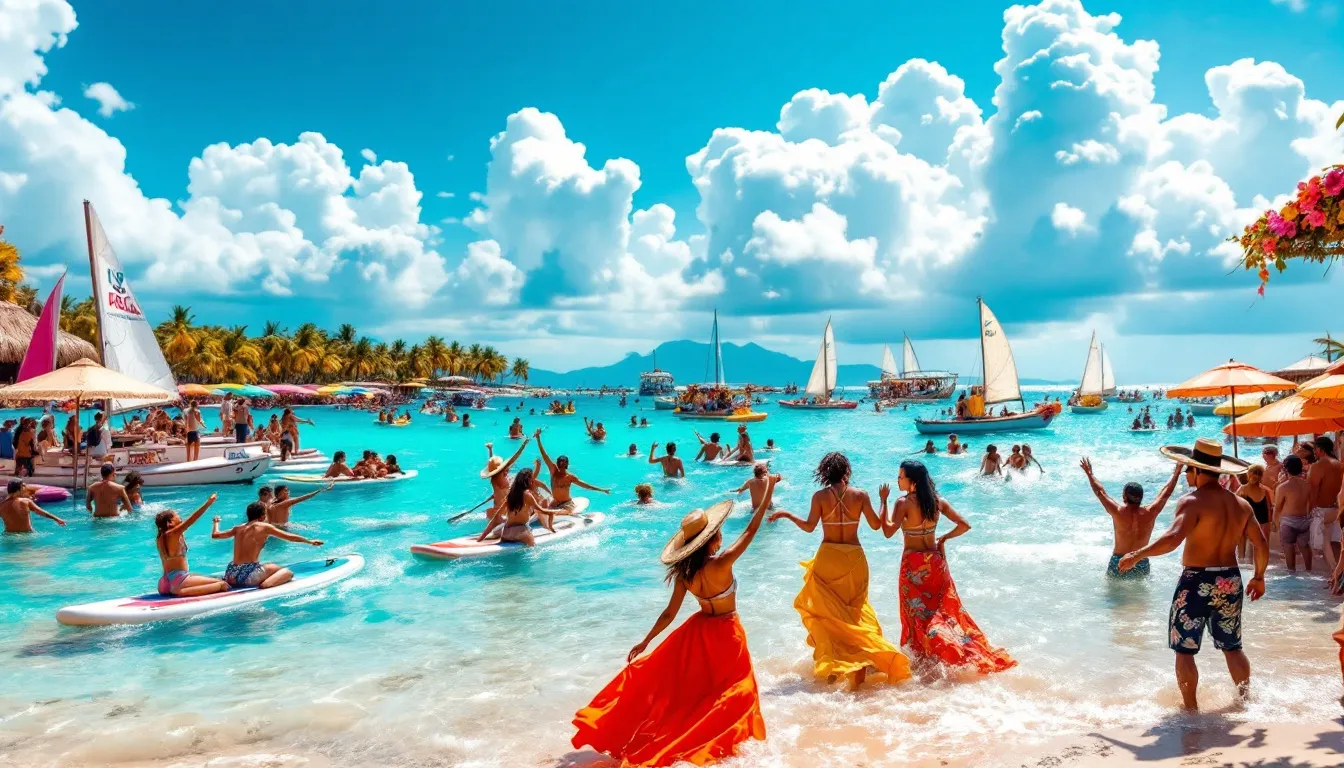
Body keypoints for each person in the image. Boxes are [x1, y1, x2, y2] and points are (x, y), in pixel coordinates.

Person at [572, 482, 774, 765]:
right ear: (713, 537)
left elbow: (669, 614)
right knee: (736, 691)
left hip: (699, 632)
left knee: (697, 694)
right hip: (727, 633)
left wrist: (646, 641)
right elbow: (751, 529)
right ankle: (726, 746)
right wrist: (768, 495)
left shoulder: (685, 576)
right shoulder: (723, 562)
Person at [1117, 438, 1268, 710]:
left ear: (1198, 471)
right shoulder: (1241, 504)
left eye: (1188, 469)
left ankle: (1190, 710)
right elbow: (1261, 544)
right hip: (1230, 580)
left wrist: (1137, 554)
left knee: (1184, 649)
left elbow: (1173, 538)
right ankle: (1246, 703)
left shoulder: (1192, 501)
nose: (1187, 474)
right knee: (1232, 646)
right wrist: (1259, 576)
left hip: (1197, 580)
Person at [768, 452, 909, 688]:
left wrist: (787, 514)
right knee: (855, 614)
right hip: (854, 559)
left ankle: (834, 668)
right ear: (847, 471)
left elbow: (810, 527)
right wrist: (884, 501)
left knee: (829, 617)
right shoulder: (861, 495)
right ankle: (861, 665)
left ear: (825, 473)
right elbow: (876, 526)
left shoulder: (820, 497)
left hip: (828, 558)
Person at [879, 460, 1015, 673]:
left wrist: (883, 502)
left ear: (911, 480)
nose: (898, 480)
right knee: (942, 612)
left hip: (914, 565)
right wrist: (943, 539)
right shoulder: (937, 501)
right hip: (935, 563)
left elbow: (887, 531)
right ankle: (954, 653)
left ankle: (926, 662)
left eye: (900, 476)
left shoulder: (902, 503)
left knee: (916, 616)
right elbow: (964, 525)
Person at [1080, 457, 1181, 578]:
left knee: (1114, 595)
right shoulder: (1151, 512)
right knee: (1140, 596)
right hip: (1140, 560)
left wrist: (1090, 474)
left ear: (1124, 497)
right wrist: (1176, 473)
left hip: (1119, 561)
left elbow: (1100, 492)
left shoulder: (1117, 512)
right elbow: (1166, 493)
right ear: (1141, 497)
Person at [211, 502, 324, 588]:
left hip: (230, 574)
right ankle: (265, 585)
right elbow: (289, 537)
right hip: (247, 577)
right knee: (287, 572)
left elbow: (215, 535)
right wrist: (309, 541)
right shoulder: (264, 527)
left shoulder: (238, 528)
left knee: (270, 566)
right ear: (262, 516)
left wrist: (216, 523)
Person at [154, 493, 228, 596]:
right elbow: (192, 520)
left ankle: (178, 589)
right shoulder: (173, 534)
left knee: (209, 578)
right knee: (223, 584)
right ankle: (180, 591)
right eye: (177, 516)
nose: (180, 517)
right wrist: (208, 503)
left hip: (164, 582)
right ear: (169, 522)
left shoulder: (160, 538)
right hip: (178, 581)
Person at [478, 469, 564, 545]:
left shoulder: (510, 494)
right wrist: (554, 513)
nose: (533, 482)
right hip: (520, 531)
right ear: (528, 481)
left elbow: (496, 517)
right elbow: (541, 510)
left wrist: (481, 538)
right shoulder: (527, 495)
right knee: (533, 548)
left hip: (506, 532)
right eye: (531, 480)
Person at [536, 429, 611, 509]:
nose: (561, 463)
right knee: (542, 505)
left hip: (567, 504)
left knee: (556, 512)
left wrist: (602, 490)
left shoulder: (570, 477)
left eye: (563, 462)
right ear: (557, 463)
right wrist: (538, 439)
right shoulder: (553, 471)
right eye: (560, 462)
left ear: (567, 464)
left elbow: (585, 485)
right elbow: (545, 455)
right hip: (555, 503)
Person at [1308, 436, 1342, 575]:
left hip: (1323, 510)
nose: (1314, 452)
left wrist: (1310, 509)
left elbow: (1312, 489)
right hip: (1338, 508)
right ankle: (1339, 572)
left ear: (1320, 450)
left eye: (1315, 449)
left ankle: (1335, 572)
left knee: (1323, 543)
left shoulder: (1318, 466)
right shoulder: (1339, 464)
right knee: (1336, 542)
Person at [1276, 454, 1313, 571]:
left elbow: (1277, 507)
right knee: (1305, 546)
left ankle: (1292, 574)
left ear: (1286, 469)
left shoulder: (1283, 487)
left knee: (1288, 545)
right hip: (1304, 520)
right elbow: (1309, 504)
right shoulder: (1307, 485)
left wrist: (1274, 522)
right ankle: (1309, 571)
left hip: (1288, 521)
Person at [480, 439, 532, 514]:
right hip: (501, 510)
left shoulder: (499, 474)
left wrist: (490, 449)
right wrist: (523, 446)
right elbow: (512, 459)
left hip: (507, 508)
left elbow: (493, 463)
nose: (506, 470)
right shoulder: (496, 476)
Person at [1236, 464, 1274, 560]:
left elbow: (1236, 505)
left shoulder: (1243, 489)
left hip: (1248, 521)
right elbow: (1269, 508)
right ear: (1261, 476)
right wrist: (1270, 523)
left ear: (1248, 475)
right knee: (1260, 548)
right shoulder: (1264, 491)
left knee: (1242, 542)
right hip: (1263, 522)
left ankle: (1242, 563)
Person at [1, 480, 66, 533]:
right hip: (27, 535)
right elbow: (41, 512)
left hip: (9, 535)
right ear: (18, 491)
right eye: (22, 488)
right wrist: (57, 519)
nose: (24, 490)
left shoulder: (1, 505)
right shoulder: (25, 501)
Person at [265, 483, 333, 527]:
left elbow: (275, 497)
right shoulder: (285, 503)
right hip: (282, 529)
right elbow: (304, 497)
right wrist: (320, 490)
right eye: (285, 491)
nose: (288, 492)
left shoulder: (270, 502)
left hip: (271, 527)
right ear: (280, 494)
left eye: (288, 490)